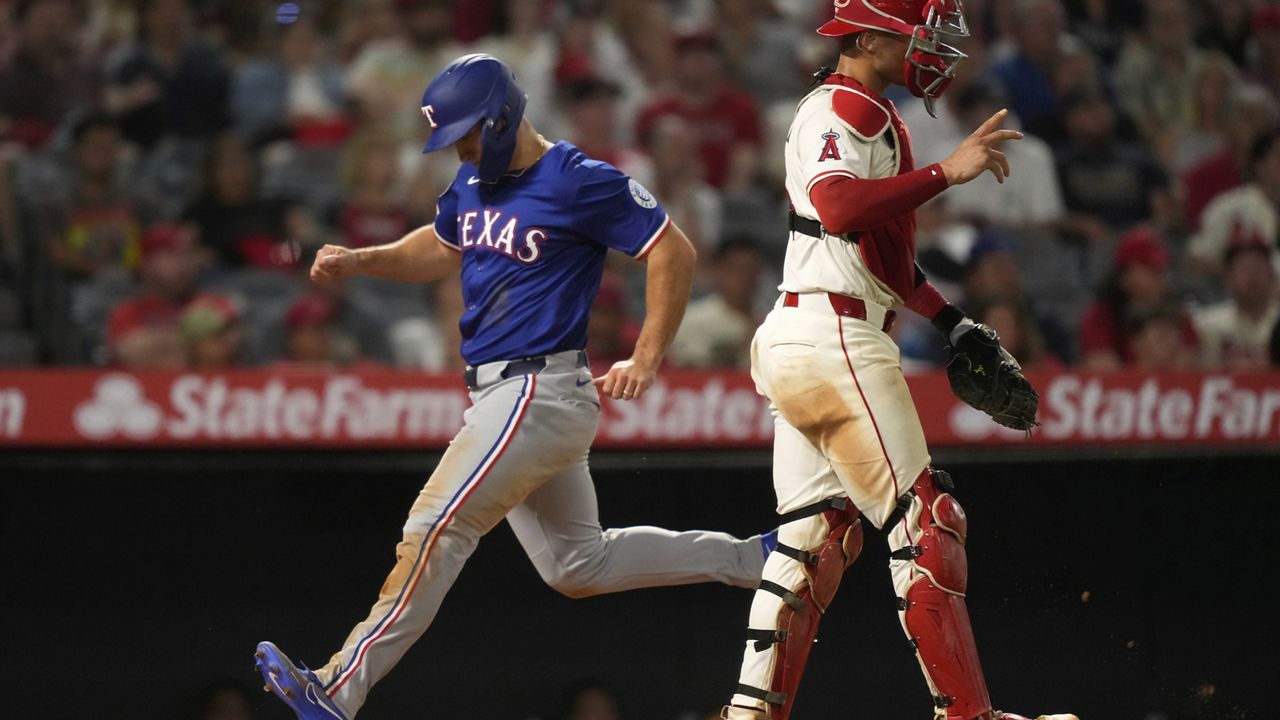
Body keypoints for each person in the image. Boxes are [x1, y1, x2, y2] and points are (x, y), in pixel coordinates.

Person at [254, 54, 768, 720]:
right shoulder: (472, 181)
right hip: (508, 395)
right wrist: (362, 259)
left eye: (467, 134)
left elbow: (673, 250)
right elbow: (443, 246)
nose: (461, 149)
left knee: (435, 529)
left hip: (536, 388)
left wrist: (647, 354)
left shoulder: (575, 178)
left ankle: (337, 688)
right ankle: (756, 559)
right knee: (577, 566)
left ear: (501, 116)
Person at [719, 2, 1075, 720]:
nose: (934, 50)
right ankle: (969, 716)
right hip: (835, 337)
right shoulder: (842, 104)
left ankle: (749, 712)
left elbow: (882, 257)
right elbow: (840, 206)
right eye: (919, 34)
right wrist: (948, 171)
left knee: (813, 542)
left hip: (812, 331)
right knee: (928, 525)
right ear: (872, 36)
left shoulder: (867, 109)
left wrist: (952, 321)